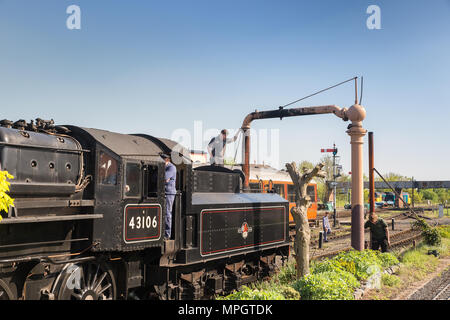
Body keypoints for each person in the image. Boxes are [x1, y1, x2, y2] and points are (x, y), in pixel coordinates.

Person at [161, 153, 176, 240]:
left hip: (169, 193)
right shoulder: (165, 167)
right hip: (163, 192)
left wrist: (165, 179)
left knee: (167, 213)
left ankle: (167, 234)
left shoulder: (172, 167)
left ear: (166, 160)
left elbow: (164, 177)